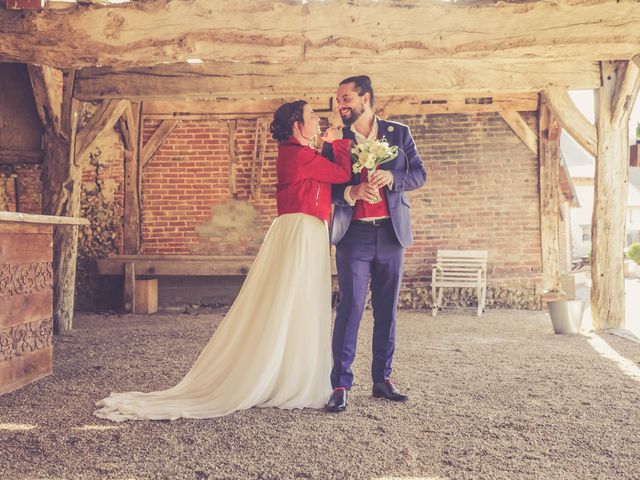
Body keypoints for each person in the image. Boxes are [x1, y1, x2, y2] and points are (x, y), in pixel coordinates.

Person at [94, 100, 351, 421]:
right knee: (292, 300)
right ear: (297, 124)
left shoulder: (301, 153)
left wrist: (327, 145)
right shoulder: (297, 154)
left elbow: (324, 178)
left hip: (308, 229)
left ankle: (288, 370)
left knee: (299, 301)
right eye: (311, 115)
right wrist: (340, 143)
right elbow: (341, 173)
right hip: (300, 231)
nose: (317, 119)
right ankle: (280, 373)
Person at [323, 76, 427, 413]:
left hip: (391, 235)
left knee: (387, 311)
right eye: (339, 99)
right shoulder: (335, 139)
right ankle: (340, 384)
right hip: (354, 236)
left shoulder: (399, 133)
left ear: (365, 98)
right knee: (350, 310)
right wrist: (350, 193)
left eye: (346, 98)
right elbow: (324, 186)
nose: (341, 104)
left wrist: (394, 178)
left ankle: (382, 380)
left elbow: (420, 174)